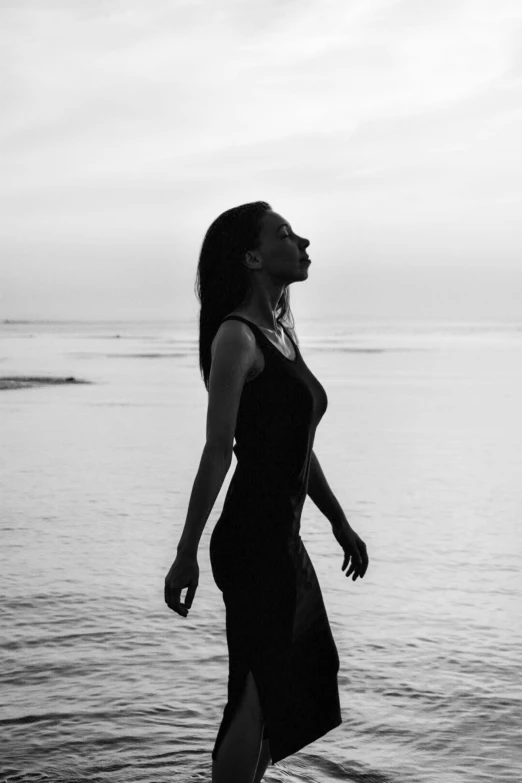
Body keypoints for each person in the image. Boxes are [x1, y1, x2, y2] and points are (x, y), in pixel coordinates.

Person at [164, 201, 369, 783]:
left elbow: (297, 447)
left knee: (289, 679)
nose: (303, 242)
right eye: (285, 234)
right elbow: (217, 450)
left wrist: (338, 521)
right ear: (253, 256)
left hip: (280, 539)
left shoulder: (280, 334)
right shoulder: (237, 337)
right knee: (256, 693)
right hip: (253, 542)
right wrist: (185, 553)